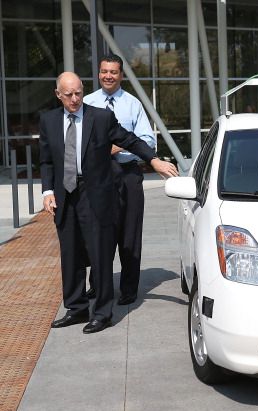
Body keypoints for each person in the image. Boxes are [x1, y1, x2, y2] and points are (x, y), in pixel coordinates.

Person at [40, 72, 178, 333]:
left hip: (95, 194)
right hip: (65, 194)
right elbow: (47, 160)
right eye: (68, 94)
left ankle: (102, 313)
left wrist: (153, 160)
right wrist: (47, 191)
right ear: (58, 94)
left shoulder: (100, 117)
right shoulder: (48, 121)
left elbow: (130, 139)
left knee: (100, 253)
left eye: (78, 92)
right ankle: (77, 308)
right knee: (71, 254)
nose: (75, 99)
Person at [84, 54, 155, 306]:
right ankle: (97, 285)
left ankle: (128, 288)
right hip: (97, 179)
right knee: (99, 232)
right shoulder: (86, 102)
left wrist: (116, 148)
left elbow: (148, 141)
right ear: (99, 73)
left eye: (113, 72)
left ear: (121, 75)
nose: (108, 76)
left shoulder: (132, 104)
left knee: (129, 234)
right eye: (104, 71)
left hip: (127, 176)